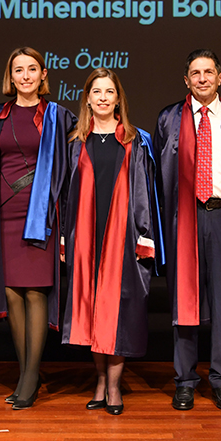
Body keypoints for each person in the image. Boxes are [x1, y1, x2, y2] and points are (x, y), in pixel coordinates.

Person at [0, 47, 76, 409]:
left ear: (44, 74)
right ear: (11, 76)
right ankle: (25, 372)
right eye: (19, 70)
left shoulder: (59, 116)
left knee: (35, 292)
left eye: (32, 69)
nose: (26, 76)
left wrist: (63, 224)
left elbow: (69, 171)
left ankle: (30, 378)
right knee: (13, 292)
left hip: (42, 215)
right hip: (5, 214)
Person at [154, 49, 221, 411]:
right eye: (195, 73)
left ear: (219, 77)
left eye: (208, 72)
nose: (202, 78)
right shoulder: (168, 118)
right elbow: (158, 177)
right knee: (184, 300)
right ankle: (184, 380)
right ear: (186, 80)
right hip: (184, 218)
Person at [61, 69, 160, 416]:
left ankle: (114, 386)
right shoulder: (75, 142)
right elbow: (66, 195)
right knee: (92, 310)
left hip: (122, 237)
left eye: (109, 92)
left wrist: (145, 236)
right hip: (86, 237)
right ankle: (100, 381)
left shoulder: (135, 141)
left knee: (117, 311)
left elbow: (144, 193)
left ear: (118, 99)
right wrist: (65, 238)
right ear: (87, 99)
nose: (103, 98)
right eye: (96, 92)